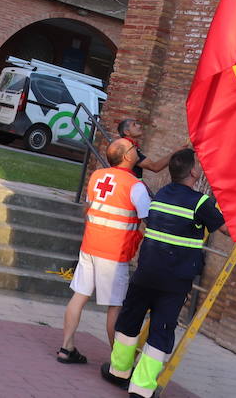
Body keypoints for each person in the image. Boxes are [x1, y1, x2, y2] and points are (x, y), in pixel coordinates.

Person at [102, 148, 226, 395]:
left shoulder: (159, 195)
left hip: (146, 272)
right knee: (161, 330)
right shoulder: (200, 202)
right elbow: (227, 230)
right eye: (198, 165)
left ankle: (119, 372)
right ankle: (142, 388)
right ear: (193, 171)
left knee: (130, 320)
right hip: (174, 280)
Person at [58, 138, 150, 365]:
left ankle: (66, 347)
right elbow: (150, 220)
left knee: (79, 295)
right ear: (126, 156)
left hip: (90, 246)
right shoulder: (135, 185)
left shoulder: (97, 176)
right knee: (115, 307)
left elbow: (88, 209)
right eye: (132, 147)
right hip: (114, 252)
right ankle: (119, 363)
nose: (136, 149)